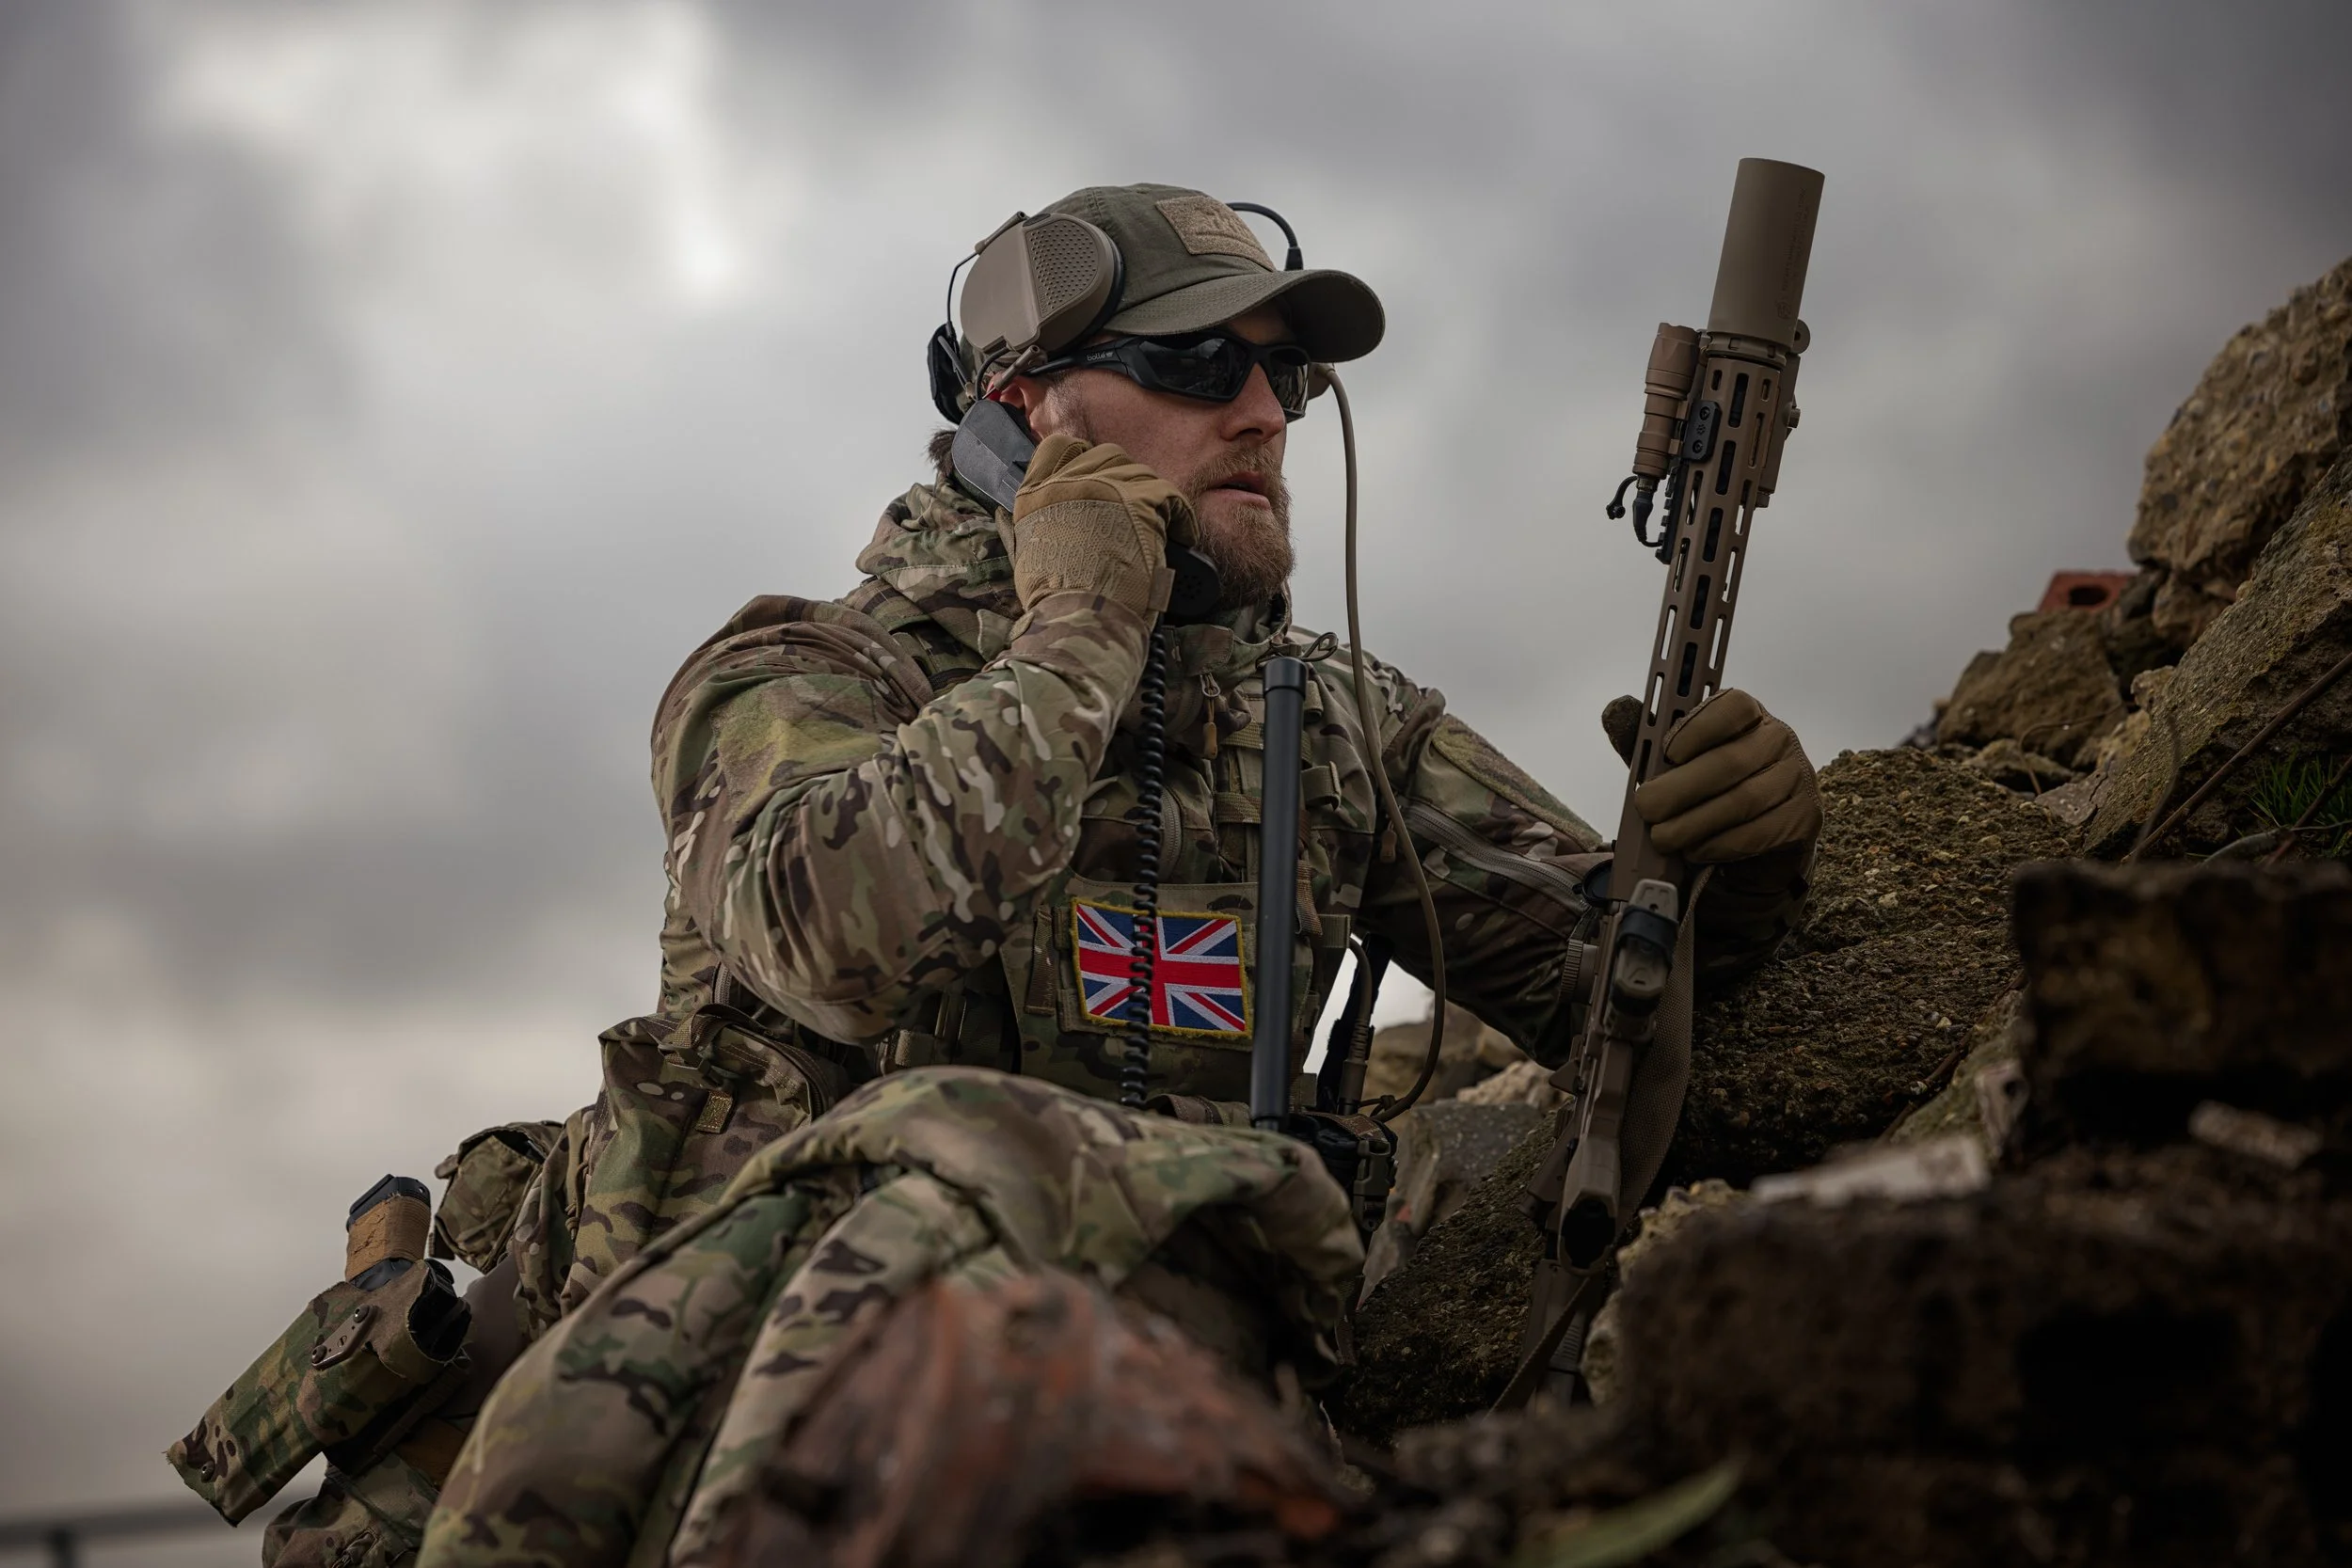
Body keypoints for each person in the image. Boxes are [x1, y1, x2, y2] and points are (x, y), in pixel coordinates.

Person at [189, 182, 1821, 1568]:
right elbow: (832, 938)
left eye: (1287, 381)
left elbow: (1618, 991)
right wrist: (1081, 630)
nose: (1262, 415)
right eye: (1198, 365)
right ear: (1024, 404)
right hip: (764, 1450)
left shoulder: (1333, 724)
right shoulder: (796, 672)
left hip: (1155, 1446)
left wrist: (1741, 857)